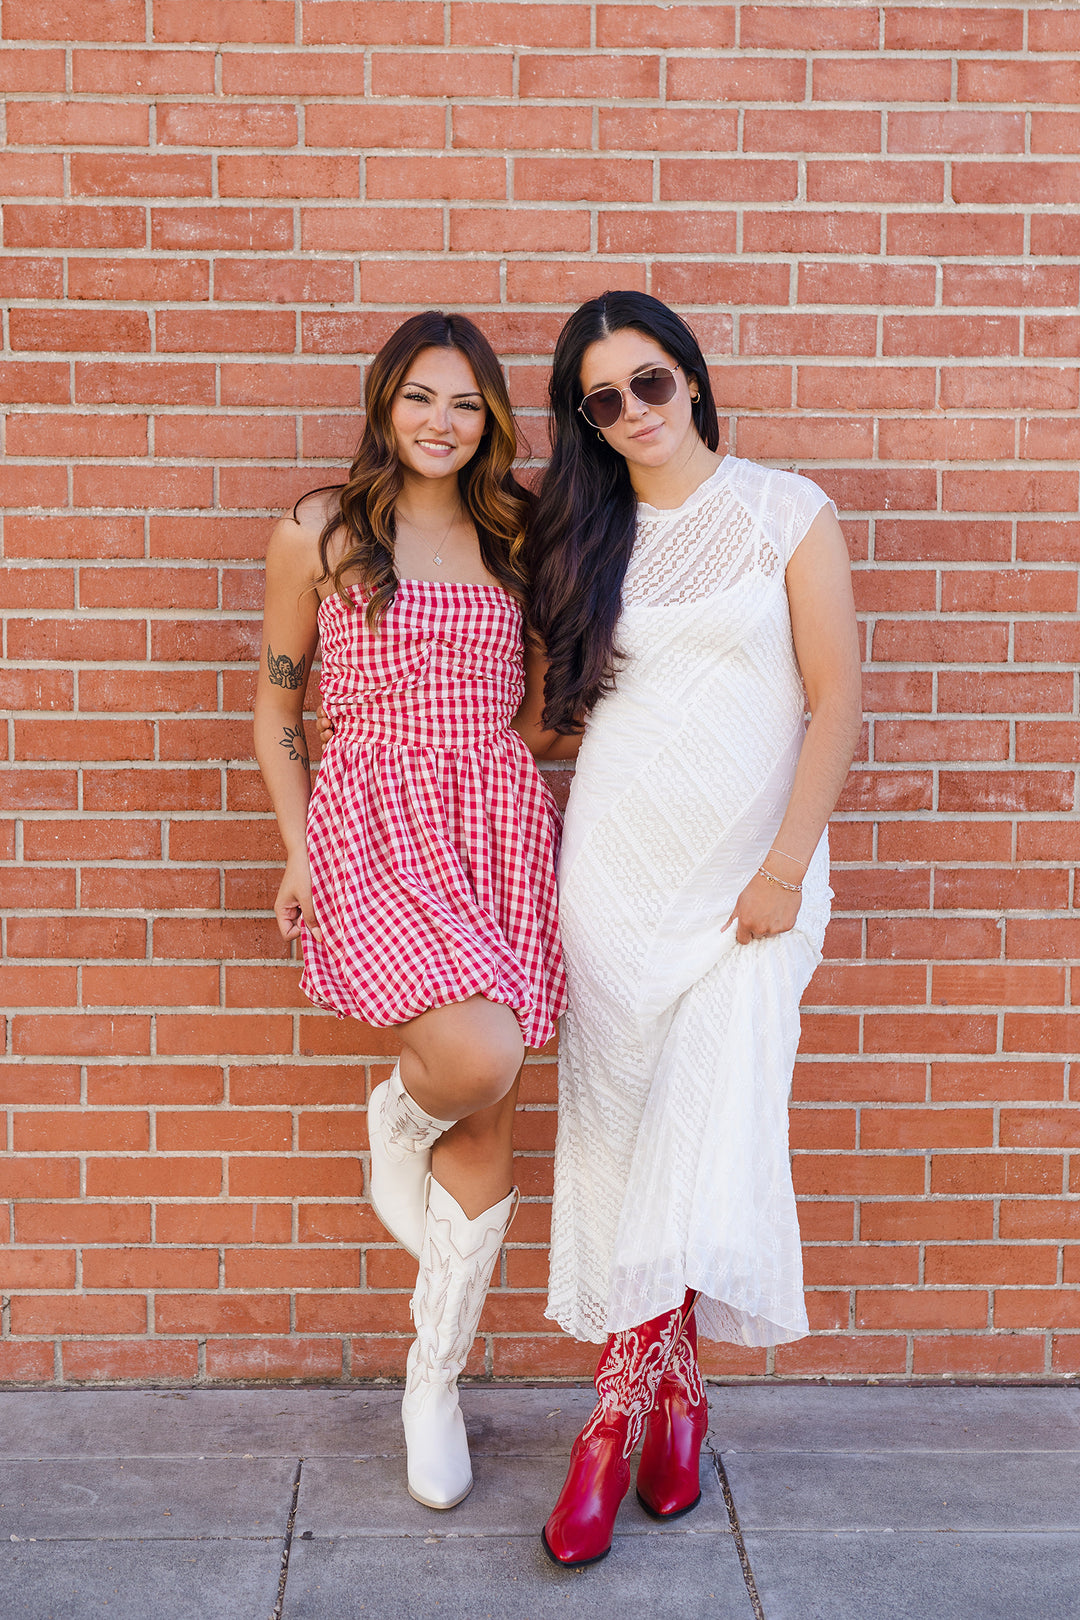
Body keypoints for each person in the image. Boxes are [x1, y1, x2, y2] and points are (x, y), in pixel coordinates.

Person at [517, 291, 862, 1566]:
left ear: (692, 381)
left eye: (648, 385)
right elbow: (563, 719)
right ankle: (677, 1399)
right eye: (600, 402)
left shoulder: (787, 512)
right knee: (622, 1135)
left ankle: (607, 1427)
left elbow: (833, 709)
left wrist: (782, 870)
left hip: (749, 892)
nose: (630, 415)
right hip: (613, 876)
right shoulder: (588, 534)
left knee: (703, 1118)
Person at [253, 311, 566, 1513]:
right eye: (421, 398)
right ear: (386, 404)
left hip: (493, 823)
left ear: (491, 420)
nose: (443, 423)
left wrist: (485, 764)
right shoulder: (322, 531)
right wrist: (298, 851)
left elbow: (541, 710)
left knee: (492, 1111)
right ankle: (397, 1111)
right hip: (369, 827)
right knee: (475, 1052)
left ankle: (432, 1381)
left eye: (468, 404)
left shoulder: (519, 534)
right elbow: (281, 709)